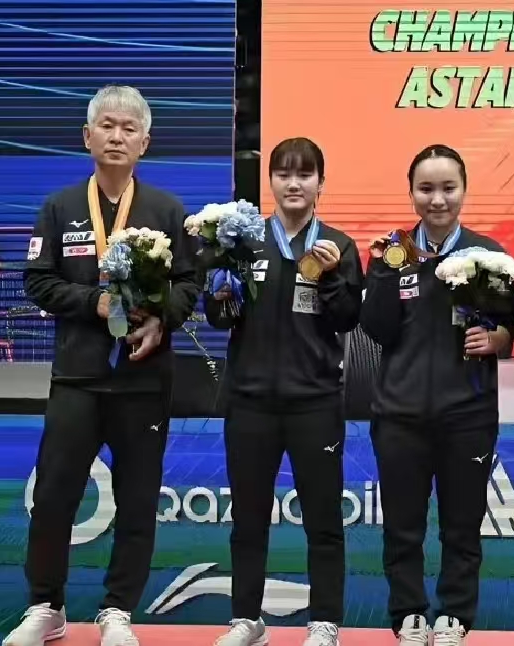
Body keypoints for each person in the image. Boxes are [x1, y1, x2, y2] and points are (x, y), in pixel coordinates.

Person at [5, 85, 199, 646]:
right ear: (87, 137)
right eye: (107, 127)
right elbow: (38, 282)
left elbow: (189, 285)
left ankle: (118, 611)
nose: (117, 137)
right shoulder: (60, 207)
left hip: (144, 379)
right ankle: (46, 606)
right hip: (78, 377)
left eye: (128, 128)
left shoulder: (167, 211)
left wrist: (162, 320)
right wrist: (93, 302)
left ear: (145, 142)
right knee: (53, 497)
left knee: (138, 499)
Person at [204, 138, 363, 646]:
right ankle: (247, 619)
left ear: (321, 182)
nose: (294, 184)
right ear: (270, 181)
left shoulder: (338, 245)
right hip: (250, 402)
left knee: (323, 520)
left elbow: (348, 318)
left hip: (315, 403)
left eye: (305, 174)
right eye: (284, 174)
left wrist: (332, 276)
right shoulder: (243, 243)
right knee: (248, 519)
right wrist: (218, 296)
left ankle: (325, 622)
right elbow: (220, 318)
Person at [360, 144, 514, 646]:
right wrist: (383, 272)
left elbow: (510, 328)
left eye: (448, 188)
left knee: (462, 526)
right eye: (426, 189)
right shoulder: (395, 254)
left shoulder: (487, 256)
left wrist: (497, 339)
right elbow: (377, 329)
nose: (437, 199)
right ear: (411, 192)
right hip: (400, 415)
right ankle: (408, 612)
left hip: (467, 415)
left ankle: (455, 613)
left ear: (464, 191)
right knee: (402, 527)